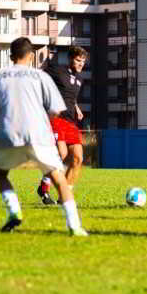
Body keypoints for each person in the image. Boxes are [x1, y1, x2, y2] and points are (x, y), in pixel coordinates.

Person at [0, 37, 88, 236]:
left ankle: (14, 211)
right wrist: (43, 121)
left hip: (9, 133)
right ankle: (75, 226)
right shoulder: (41, 76)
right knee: (59, 178)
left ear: (10, 55)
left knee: (0, 174)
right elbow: (56, 109)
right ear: (31, 56)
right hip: (38, 133)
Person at [37, 46, 88, 205]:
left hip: (71, 121)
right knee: (62, 153)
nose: (80, 64)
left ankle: (63, 197)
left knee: (78, 158)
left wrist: (77, 107)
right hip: (56, 119)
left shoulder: (80, 79)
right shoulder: (57, 71)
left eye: (83, 61)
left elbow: (70, 97)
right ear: (70, 59)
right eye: (78, 60)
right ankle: (44, 186)